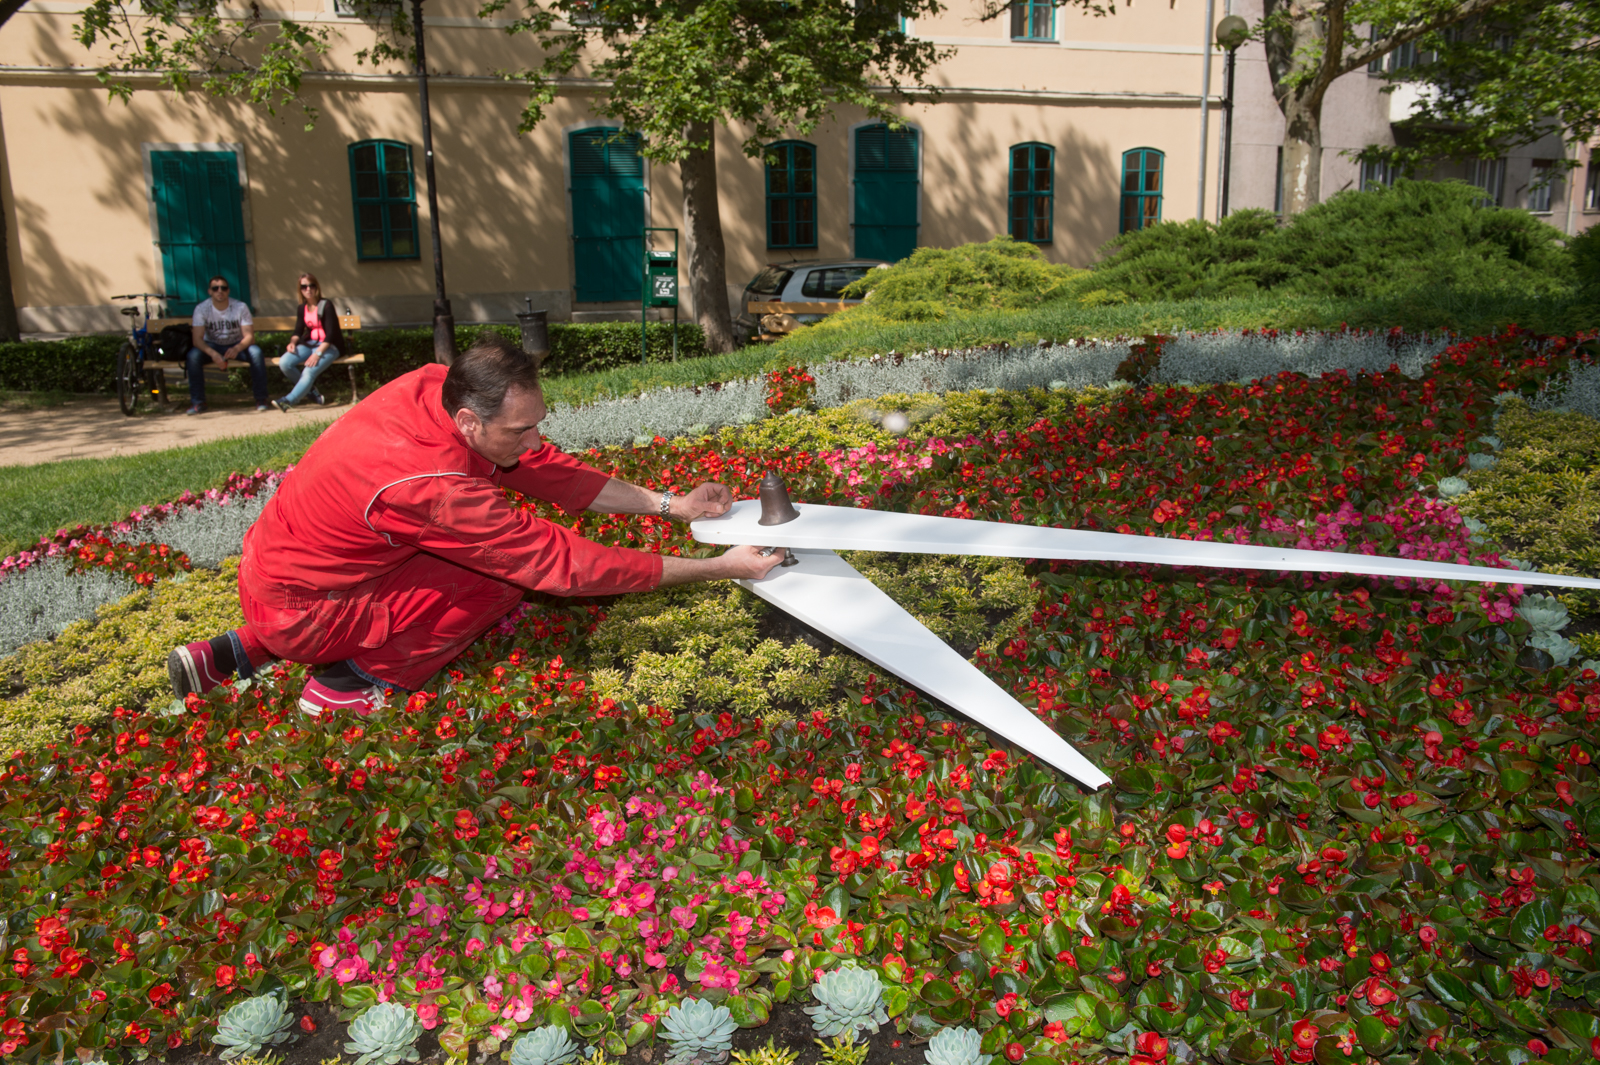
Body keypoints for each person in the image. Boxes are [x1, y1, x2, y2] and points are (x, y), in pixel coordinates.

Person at [167, 332, 784, 715]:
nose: (537, 439)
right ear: (468, 422)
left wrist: (669, 504)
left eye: (538, 419)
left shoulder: (436, 386)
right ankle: (348, 685)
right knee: (497, 580)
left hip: (282, 578)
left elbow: (542, 469)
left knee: (442, 554)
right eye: (521, 429)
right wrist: (720, 567)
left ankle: (238, 651)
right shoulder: (430, 487)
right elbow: (561, 566)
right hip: (307, 609)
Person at [187, 275, 270, 415]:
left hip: (237, 345)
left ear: (228, 290)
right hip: (212, 345)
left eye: (223, 288)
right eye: (215, 288)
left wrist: (237, 348)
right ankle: (198, 402)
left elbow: (249, 337)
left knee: (256, 352)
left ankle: (261, 399)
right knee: (193, 356)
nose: (220, 291)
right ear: (210, 291)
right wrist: (213, 354)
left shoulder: (240, 307)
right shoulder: (202, 309)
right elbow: (197, 340)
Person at [276, 272, 342, 411]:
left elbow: (330, 335)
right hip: (310, 343)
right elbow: (298, 331)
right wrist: (292, 342)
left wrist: (317, 354)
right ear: (300, 290)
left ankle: (288, 401)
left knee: (308, 372)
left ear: (316, 287)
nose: (308, 289)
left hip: (329, 347)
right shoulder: (302, 308)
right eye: (304, 287)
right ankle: (310, 390)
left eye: (311, 286)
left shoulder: (326, 305)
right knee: (285, 363)